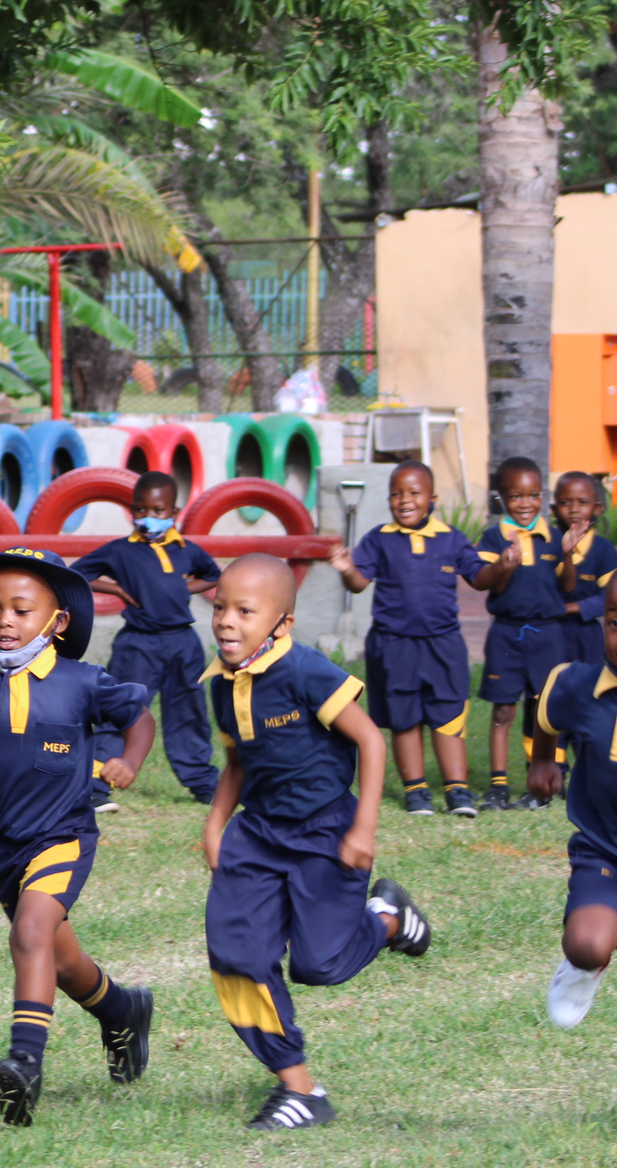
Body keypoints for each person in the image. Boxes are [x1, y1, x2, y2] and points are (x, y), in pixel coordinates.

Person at [0, 546, 158, 1127]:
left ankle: (25, 1064)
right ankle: (122, 1010)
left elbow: (139, 718)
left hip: (62, 834)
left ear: (57, 621)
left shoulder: (82, 682)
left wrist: (131, 761)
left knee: (31, 932)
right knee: (57, 960)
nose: (4, 622)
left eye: (20, 609)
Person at [200, 555, 432, 1131]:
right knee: (235, 958)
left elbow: (371, 742)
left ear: (282, 623)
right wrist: (215, 824)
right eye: (219, 608)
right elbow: (236, 761)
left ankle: (386, 917)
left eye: (245, 612)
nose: (227, 622)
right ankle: (300, 1089)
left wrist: (364, 828)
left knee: (319, 964)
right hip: (257, 835)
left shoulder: (305, 671)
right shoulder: (222, 684)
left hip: (326, 831)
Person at [328, 460, 486, 817]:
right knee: (405, 717)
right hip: (394, 644)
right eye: (397, 494)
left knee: (448, 715)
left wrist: (504, 566)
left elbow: (479, 576)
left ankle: (457, 790)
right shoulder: (379, 539)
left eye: (414, 493)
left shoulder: (451, 538)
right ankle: (416, 791)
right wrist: (346, 569)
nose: (405, 500)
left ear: (432, 497)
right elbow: (358, 582)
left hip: (443, 644)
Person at [73, 469, 221, 809]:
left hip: (184, 643)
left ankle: (203, 784)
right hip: (138, 646)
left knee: (189, 712)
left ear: (173, 513)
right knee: (118, 710)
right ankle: (96, 785)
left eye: (157, 511)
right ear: (132, 510)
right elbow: (77, 572)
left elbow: (213, 575)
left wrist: (184, 586)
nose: (148, 518)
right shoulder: (120, 551)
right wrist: (117, 588)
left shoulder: (187, 550)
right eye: (140, 510)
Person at [472, 458, 587, 810]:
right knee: (503, 711)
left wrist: (567, 554)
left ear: (542, 496)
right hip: (507, 634)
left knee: (544, 712)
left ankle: (539, 783)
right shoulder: (494, 536)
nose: (525, 504)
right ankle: (498, 785)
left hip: (548, 636)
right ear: (501, 498)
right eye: (516, 496)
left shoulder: (554, 536)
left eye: (533, 495)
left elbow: (567, 588)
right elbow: (487, 584)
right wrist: (504, 565)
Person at [527, 606, 617, 1028]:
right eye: (616, 623)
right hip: (604, 850)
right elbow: (550, 704)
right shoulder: (582, 687)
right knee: (586, 944)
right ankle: (584, 967)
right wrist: (544, 760)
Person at [553, 471, 616, 668]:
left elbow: (607, 598)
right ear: (554, 510)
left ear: (597, 508)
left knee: (587, 687)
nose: (573, 509)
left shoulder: (603, 549)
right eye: (565, 503)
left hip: (587, 633)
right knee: (547, 687)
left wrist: (568, 608)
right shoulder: (547, 545)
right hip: (550, 630)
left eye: (582, 502)